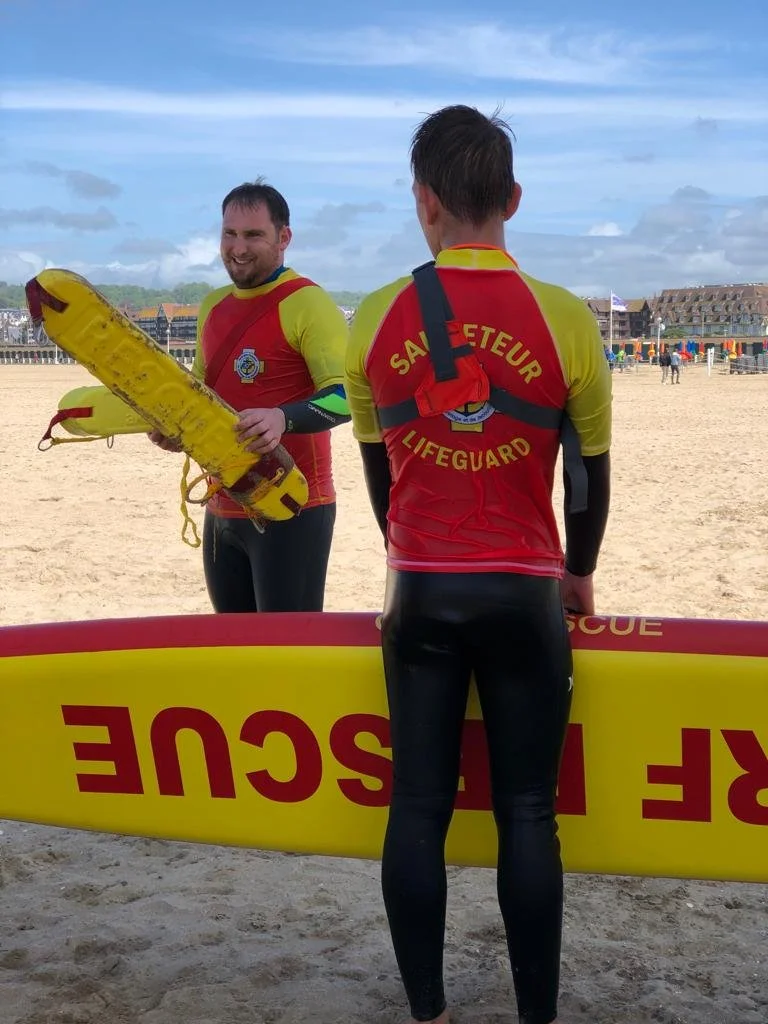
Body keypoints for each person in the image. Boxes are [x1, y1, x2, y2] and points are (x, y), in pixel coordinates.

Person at [345, 105, 612, 1024]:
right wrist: (578, 572)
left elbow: (381, 482)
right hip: (525, 589)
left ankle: (429, 1011)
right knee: (528, 811)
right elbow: (587, 478)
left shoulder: (373, 318)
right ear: (514, 198)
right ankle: (536, 1013)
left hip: (421, 588)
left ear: (424, 203)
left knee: (416, 804)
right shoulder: (568, 318)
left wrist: (409, 554)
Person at [150, 180, 350, 612]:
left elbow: (347, 398)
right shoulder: (214, 307)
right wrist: (178, 432)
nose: (238, 248)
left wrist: (284, 418)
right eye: (230, 234)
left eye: (254, 235)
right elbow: (200, 399)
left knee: (286, 653)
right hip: (223, 509)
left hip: (293, 507)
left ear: (284, 238)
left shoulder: (307, 302)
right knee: (233, 646)